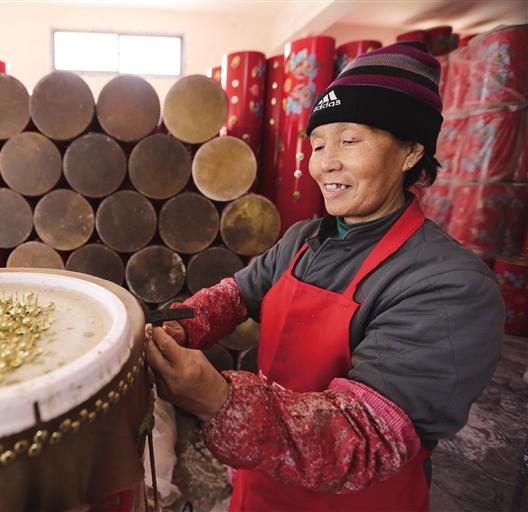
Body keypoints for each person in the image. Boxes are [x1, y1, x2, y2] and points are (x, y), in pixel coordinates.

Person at [145, 41, 504, 511]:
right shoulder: (304, 239)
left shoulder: (449, 286)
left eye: (349, 141)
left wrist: (214, 398)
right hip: (262, 483)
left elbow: (367, 437)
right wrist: (179, 326)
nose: (325, 162)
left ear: (411, 150)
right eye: (317, 144)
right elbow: (237, 294)